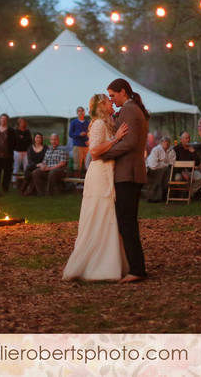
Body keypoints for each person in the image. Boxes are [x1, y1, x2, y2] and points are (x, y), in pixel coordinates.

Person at [62, 93, 130, 281]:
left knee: (108, 215)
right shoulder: (99, 124)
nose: (112, 103)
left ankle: (109, 262)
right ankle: (96, 264)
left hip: (108, 171)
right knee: (101, 214)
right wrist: (115, 139)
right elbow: (95, 151)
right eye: (109, 101)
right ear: (102, 105)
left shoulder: (106, 122)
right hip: (99, 174)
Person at [99, 78, 150, 283]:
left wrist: (105, 154)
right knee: (128, 222)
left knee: (126, 222)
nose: (111, 100)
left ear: (123, 92)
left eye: (112, 96)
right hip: (133, 172)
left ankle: (137, 269)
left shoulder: (129, 110)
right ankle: (136, 266)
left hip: (127, 173)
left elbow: (129, 143)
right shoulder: (136, 108)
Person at [0, 114, 17, 196]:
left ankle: (5, 187)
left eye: (5, 119)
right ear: (0, 120)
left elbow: (14, 142)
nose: (3, 120)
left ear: (7, 120)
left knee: (7, 172)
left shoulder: (11, 130)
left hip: (7, 155)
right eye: (2, 119)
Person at [145, 136, 176, 203]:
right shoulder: (156, 150)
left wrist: (160, 163)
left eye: (167, 142)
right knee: (162, 172)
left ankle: (161, 196)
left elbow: (171, 164)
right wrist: (164, 164)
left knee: (167, 172)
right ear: (161, 143)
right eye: (164, 142)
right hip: (150, 169)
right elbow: (153, 165)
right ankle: (154, 197)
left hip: (163, 170)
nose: (166, 144)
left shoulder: (171, 152)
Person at [69, 107, 90, 177]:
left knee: (87, 164)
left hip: (86, 145)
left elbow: (90, 132)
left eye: (82, 111)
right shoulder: (74, 122)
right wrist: (79, 134)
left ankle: (85, 181)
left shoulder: (87, 122)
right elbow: (70, 134)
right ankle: (77, 182)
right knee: (77, 165)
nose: (81, 112)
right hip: (77, 145)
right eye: (79, 111)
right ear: (77, 113)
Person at [12, 117, 32, 186]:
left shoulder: (27, 131)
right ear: (18, 123)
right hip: (17, 152)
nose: (22, 123)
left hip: (26, 152)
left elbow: (29, 141)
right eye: (21, 122)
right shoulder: (15, 131)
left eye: (23, 122)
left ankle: (26, 181)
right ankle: (14, 181)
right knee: (16, 166)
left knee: (26, 167)